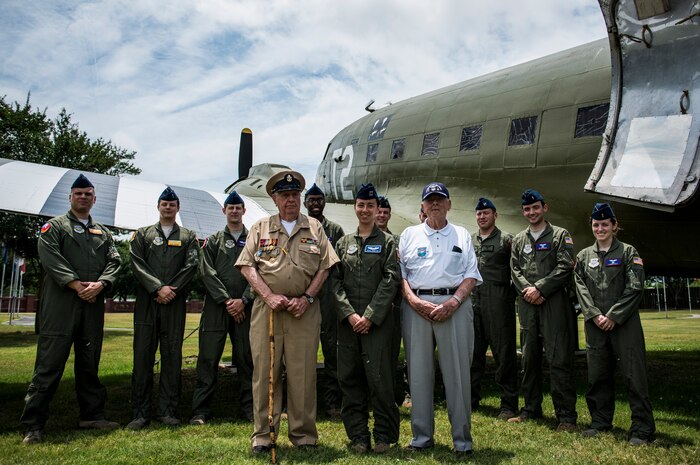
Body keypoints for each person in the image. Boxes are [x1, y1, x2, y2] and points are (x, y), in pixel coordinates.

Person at [236, 170, 339, 453]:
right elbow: (247, 266)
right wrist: (268, 296)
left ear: (300, 198)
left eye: (295, 195)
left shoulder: (314, 228)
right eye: (285, 195)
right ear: (275, 198)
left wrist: (307, 297)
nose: (291, 199)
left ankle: (304, 435)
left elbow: (325, 266)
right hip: (267, 310)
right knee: (265, 373)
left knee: (302, 374)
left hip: (303, 311)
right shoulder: (260, 228)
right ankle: (263, 435)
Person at [21, 174, 121, 444]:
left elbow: (115, 262)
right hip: (61, 308)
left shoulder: (103, 232)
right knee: (48, 366)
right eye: (78, 193)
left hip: (92, 308)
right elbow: (51, 259)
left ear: (94, 199)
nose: (83, 197)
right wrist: (77, 286)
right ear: (70, 197)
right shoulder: (54, 228)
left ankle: (92, 415)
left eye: (88, 194)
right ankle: (33, 424)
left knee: (89, 364)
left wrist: (101, 284)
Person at [399, 182, 482, 455]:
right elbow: (401, 276)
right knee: (419, 375)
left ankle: (462, 442)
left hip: (454, 306)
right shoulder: (409, 235)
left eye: (440, 199)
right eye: (430, 200)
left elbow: (471, 274)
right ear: (422, 206)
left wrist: (454, 302)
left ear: (449, 204)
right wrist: (413, 301)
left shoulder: (462, 234)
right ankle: (421, 438)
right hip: (417, 307)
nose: (435, 203)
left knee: (457, 375)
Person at [574, 203, 655, 445]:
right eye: (596, 224)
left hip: (624, 324)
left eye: (605, 224)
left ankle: (642, 429)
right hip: (595, 324)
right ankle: (600, 423)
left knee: (634, 375)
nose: (600, 228)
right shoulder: (583, 256)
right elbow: (579, 287)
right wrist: (594, 314)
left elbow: (635, 287)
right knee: (597, 375)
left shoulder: (629, 252)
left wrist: (613, 316)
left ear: (614, 225)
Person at [331, 184, 400, 454]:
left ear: (376, 209)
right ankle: (358, 435)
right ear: (355, 207)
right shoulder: (343, 243)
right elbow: (335, 284)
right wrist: (350, 315)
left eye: (370, 206)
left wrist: (369, 316)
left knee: (380, 379)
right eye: (361, 205)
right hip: (348, 324)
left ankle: (384, 435)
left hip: (378, 324)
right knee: (350, 379)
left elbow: (391, 279)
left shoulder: (388, 242)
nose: (365, 210)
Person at [128, 187, 200, 429]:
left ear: (178, 208)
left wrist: (171, 291)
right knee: (142, 358)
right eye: (164, 204)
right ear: (158, 207)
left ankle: (168, 411)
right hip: (147, 304)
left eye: (172, 204)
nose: (168, 207)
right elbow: (137, 264)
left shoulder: (189, 236)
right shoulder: (142, 235)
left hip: (174, 305)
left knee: (172, 357)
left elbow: (191, 266)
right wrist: (157, 288)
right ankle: (140, 413)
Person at [509, 189, 578, 431]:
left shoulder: (560, 235)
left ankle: (566, 416)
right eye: (527, 209)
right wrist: (528, 290)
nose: (531, 212)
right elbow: (514, 270)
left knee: (558, 359)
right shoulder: (519, 239)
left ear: (544, 208)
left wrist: (540, 288)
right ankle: (530, 409)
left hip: (554, 304)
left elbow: (565, 266)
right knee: (529, 359)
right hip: (528, 306)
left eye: (535, 207)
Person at [190, 191, 255, 425]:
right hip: (218, 309)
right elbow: (207, 272)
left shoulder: (254, 240)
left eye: (238, 207)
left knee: (247, 360)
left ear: (244, 211)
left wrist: (244, 300)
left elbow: (261, 273)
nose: (235, 211)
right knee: (208, 359)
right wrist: (228, 301)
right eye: (231, 207)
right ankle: (201, 411)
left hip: (246, 310)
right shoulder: (213, 240)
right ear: (224, 211)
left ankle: (249, 409)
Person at [470, 198, 519, 420]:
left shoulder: (507, 240)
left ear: (495, 215)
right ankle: (470, 400)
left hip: (499, 303)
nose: (482, 216)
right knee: (473, 355)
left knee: (504, 355)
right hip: (474, 302)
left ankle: (508, 404)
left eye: (486, 213)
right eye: (479, 213)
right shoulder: (469, 240)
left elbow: (517, 270)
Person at [303, 183, 344, 418]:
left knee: (331, 353)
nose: (315, 203)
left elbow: (337, 266)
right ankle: (301, 404)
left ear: (324, 203)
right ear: (305, 203)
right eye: (311, 200)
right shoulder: (298, 227)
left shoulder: (334, 230)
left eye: (319, 200)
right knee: (302, 353)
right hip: (304, 297)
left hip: (328, 299)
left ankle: (332, 403)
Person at [376, 196, 409, 407]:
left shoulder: (397, 241)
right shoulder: (362, 238)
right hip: (368, 304)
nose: (381, 215)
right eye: (379, 211)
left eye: (385, 213)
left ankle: (392, 395)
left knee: (391, 351)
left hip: (392, 305)